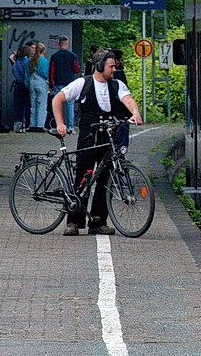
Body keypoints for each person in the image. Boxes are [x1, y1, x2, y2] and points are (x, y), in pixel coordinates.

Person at [50, 48, 142, 236]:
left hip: (108, 137)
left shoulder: (116, 85)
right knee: (83, 177)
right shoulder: (83, 83)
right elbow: (57, 99)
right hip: (88, 137)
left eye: (114, 66)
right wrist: (60, 123)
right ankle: (74, 222)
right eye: (111, 66)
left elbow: (128, 99)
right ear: (99, 66)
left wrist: (135, 112)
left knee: (106, 179)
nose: (114, 69)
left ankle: (98, 222)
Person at [46, 35, 81, 130]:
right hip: (70, 83)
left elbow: (52, 71)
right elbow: (77, 69)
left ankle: (59, 125)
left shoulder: (54, 56)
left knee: (58, 105)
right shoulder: (73, 56)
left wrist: (51, 84)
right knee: (70, 105)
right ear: (67, 44)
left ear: (59, 44)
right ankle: (70, 127)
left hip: (58, 83)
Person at [27, 42, 51, 132]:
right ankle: (40, 125)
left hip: (32, 82)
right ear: (43, 51)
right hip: (40, 83)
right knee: (41, 104)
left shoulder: (30, 60)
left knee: (33, 105)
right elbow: (45, 74)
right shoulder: (44, 61)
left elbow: (27, 73)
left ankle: (32, 124)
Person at [10, 47, 30, 131]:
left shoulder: (17, 62)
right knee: (28, 105)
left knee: (18, 106)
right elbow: (27, 74)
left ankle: (18, 124)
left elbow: (13, 69)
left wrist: (14, 55)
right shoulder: (27, 62)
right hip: (26, 85)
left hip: (18, 84)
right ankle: (27, 124)